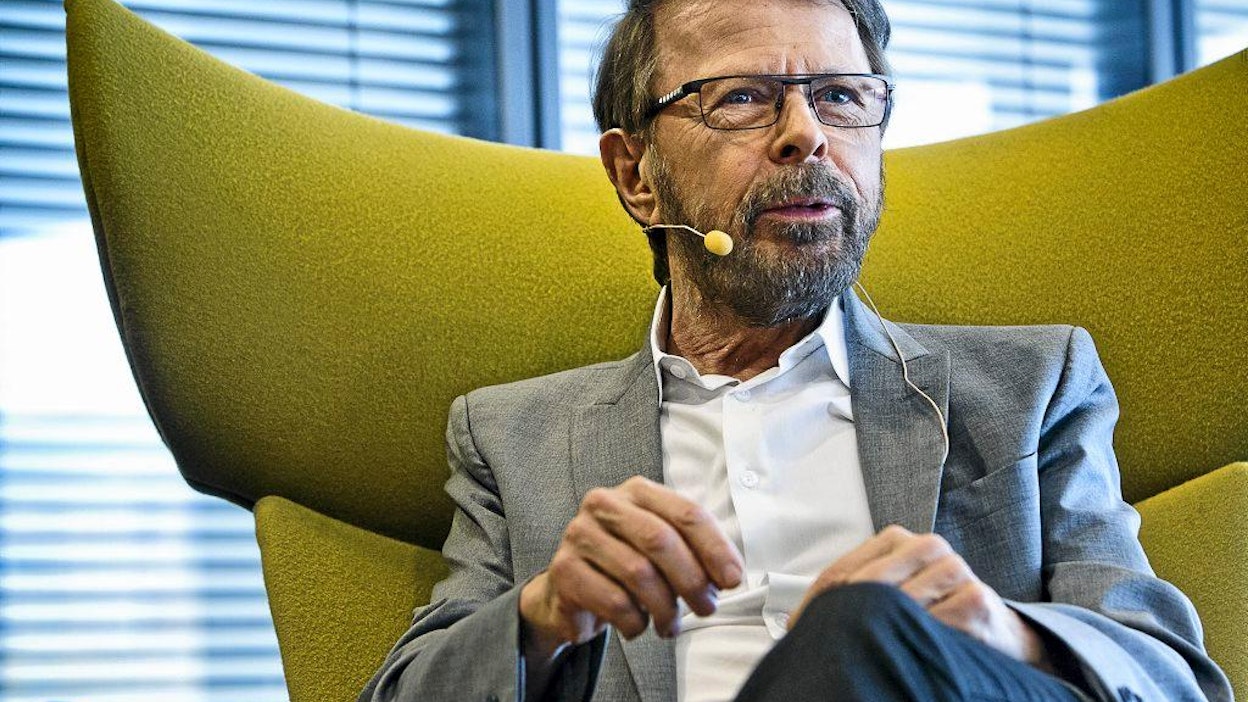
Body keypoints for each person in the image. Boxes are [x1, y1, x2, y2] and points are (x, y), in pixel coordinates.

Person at [361, 1, 1233, 700]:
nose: (806, 134)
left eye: (842, 96)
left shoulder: (1033, 386)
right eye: (743, 97)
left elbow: (1171, 676)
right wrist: (544, 615)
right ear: (635, 175)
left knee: (865, 626)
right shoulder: (512, 437)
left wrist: (1003, 634)